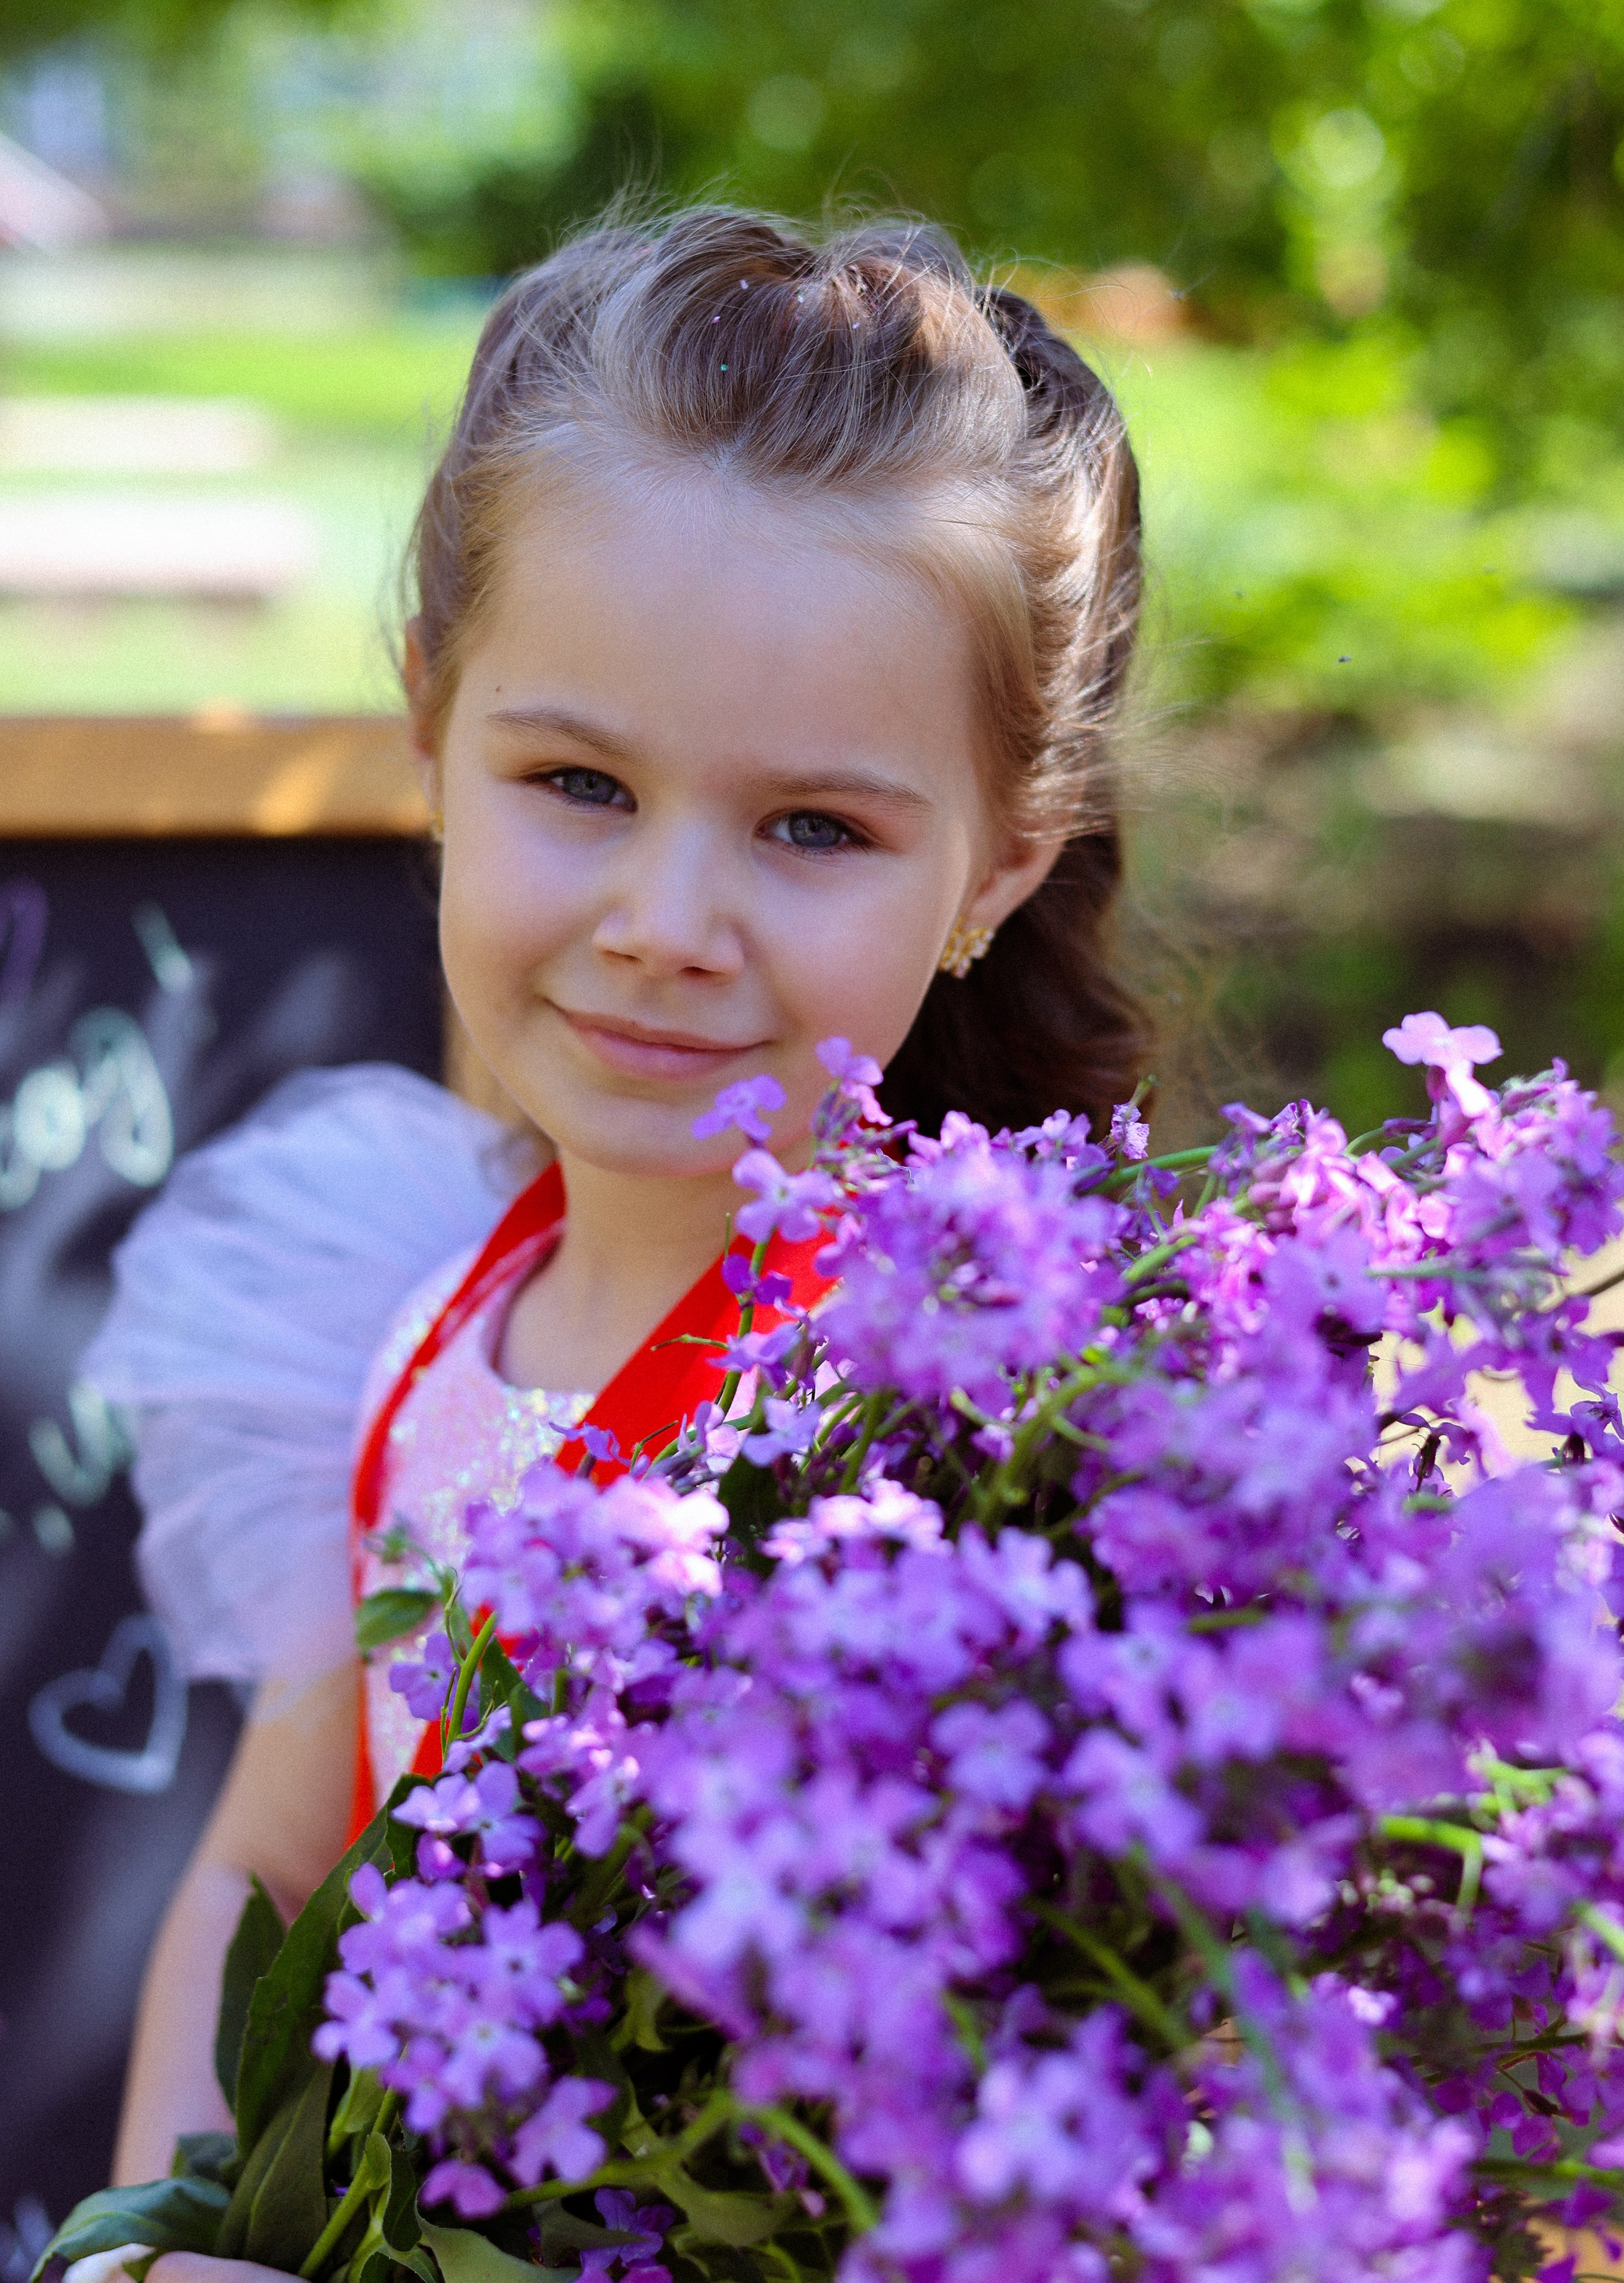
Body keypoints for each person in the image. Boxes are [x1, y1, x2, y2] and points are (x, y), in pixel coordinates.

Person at [82, 202, 1149, 2213]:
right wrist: (148, 2244)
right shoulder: (405, 1322)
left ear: (1000, 866)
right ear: (428, 726)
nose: (667, 928)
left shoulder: (980, 1435)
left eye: (813, 827)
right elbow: (273, 1868)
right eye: (578, 782)